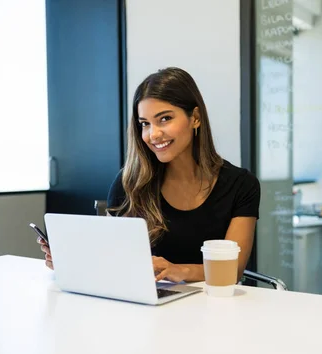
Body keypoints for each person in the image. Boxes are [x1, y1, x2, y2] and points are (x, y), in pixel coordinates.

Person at [40, 67, 260, 283]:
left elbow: (233, 270)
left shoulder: (241, 186)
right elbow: (109, 257)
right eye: (145, 124)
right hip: (147, 307)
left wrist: (178, 271)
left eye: (164, 119)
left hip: (213, 308)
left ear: (195, 117)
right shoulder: (130, 183)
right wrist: (70, 261)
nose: (153, 134)